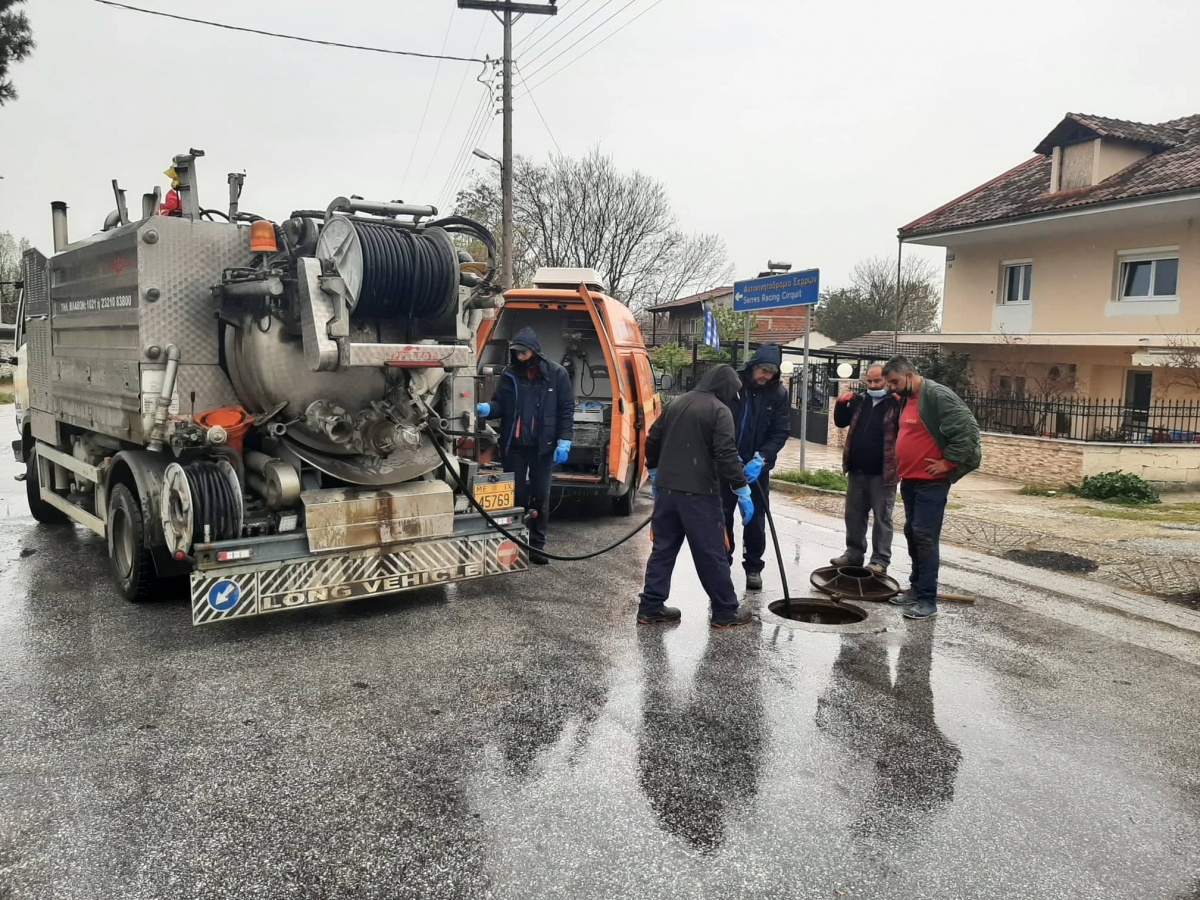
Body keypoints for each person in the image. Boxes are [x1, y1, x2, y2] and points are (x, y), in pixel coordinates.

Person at [638, 364, 755, 629]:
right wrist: (741, 487)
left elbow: (652, 439)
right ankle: (726, 611)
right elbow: (726, 453)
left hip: (667, 492)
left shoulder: (677, 403)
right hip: (699, 494)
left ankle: (650, 607)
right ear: (725, 388)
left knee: (663, 549)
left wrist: (655, 471)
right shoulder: (719, 410)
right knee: (711, 552)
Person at [881, 356, 981, 620]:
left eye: (895, 382)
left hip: (931, 483)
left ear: (910, 375)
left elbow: (968, 432)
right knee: (913, 533)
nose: (891, 387)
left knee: (925, 537)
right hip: (911, 479)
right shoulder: (907, 398)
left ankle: (927, 600)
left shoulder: (937, 395)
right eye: (889, 383)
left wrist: (948, 462)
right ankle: (915, 589)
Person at [476, 327, 574, 565]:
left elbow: (566, 409)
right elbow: (501, 404)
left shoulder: (556, 374)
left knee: (540, 496)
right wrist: (488, 409)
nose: (520, 357)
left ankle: (537, 546)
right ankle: (516, 544)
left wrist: (565, 440)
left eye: (523, 353)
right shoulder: (510, 375)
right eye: (517, 353)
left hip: (543, 447)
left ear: (534, 352)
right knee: (516, 495)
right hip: (515, 445)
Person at [721, 344, 791, 591]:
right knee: (722, 516)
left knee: (755, 520)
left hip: (756, 470)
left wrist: (762, 458)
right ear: (752, 367)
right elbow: (718, 423)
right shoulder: (733, 388)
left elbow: (781, 430)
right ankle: (722, 565)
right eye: (763, 370)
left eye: (771, 372)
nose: (766, 376)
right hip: (727, 466)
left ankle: (753, 568)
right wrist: (727, 455)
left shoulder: (778, 394)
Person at [830, 364, 901, 575]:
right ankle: (853, 554)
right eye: (869, 382)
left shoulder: (896, 403)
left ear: (887, 380)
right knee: (854, 515)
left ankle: (879, 560)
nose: (872, 385)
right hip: (857, 469)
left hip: (883, 471)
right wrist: (841, 405)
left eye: (877, 381)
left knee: (882, 517)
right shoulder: (861, 401)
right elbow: (841, 422)